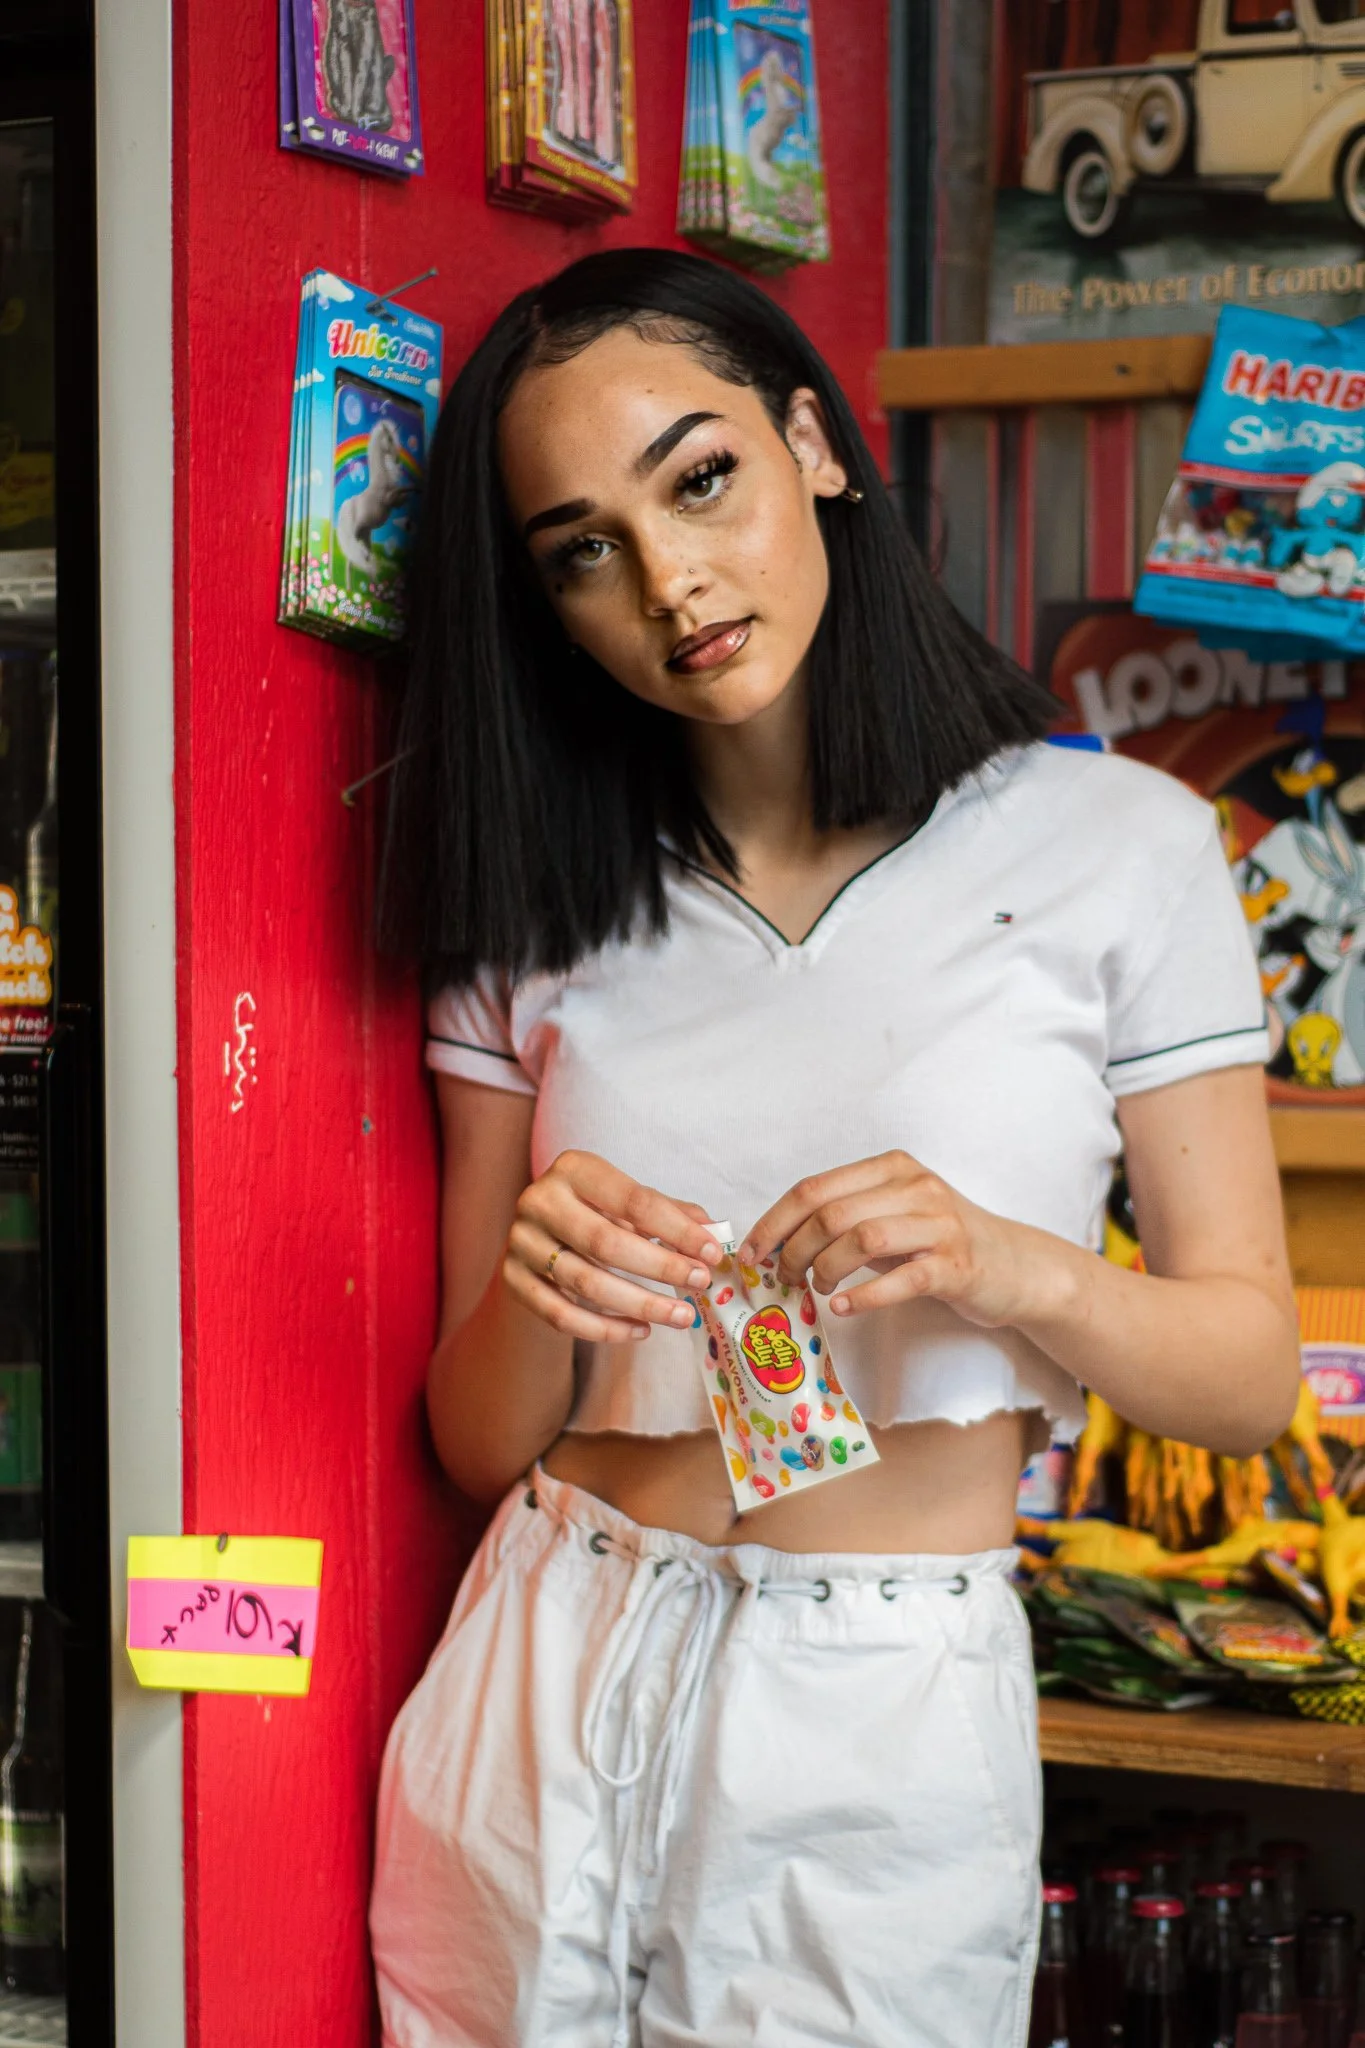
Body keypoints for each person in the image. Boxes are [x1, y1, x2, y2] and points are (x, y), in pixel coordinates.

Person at [369, 248, 1299, 2048]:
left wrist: (1005, 1263)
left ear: (811, 444)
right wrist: (537, 1292)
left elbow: (1250, 1379)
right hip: (542, 1665)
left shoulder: (1123, 847)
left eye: (699, 478)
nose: (668, 580)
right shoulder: (531, 897)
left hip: (879, 1707)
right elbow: (479, 1443)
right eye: (582, 549)